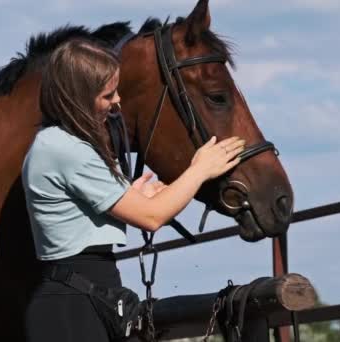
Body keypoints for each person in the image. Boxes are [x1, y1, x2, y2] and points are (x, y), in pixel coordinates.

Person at [22, 39, 245, 342]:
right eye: (107, 94)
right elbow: (152, 217)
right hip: (73, 304)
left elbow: (95, 211)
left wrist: (132, 195)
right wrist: (200, 170)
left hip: (82, 293)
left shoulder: (61, 145)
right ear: (77, 98)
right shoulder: (66, 149)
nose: (117, 101)